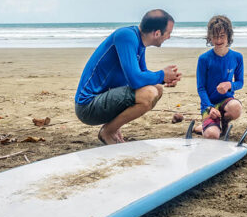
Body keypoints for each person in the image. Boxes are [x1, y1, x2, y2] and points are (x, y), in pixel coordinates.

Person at [75, 9, 181, 144]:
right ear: (157, 33)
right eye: (169, 33)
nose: (169, 37)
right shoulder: (127, 36)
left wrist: (164, 79)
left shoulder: (140, 43)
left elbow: (142, 75)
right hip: (88, 106)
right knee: (149, 93)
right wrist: (161, 75)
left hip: (104, 99)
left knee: (157, 89)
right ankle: (107, 132)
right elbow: (135, 80)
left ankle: (112, 128)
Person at [195, 15, 244, 139]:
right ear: (210, 37)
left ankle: (223, 123)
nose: (218, 40)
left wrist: (230, 85)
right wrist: (210, 107)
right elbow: (201, 88)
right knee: (212, 135)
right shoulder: (204, 59)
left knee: (236, 108)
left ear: (229, 35)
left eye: (222, 36)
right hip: (209, 104)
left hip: (226, 102)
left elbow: (240, 82)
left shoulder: (237, 57)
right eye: (215, 36)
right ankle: (204, 127)